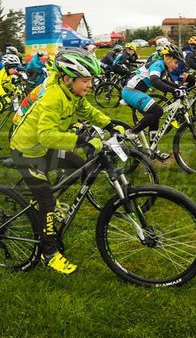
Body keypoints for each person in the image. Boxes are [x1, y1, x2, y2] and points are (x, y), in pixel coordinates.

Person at [10, 47, 123, 275]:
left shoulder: (72, 93)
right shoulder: (53, 97)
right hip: (26, 152)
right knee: (47, 202)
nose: (90, 85)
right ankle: (49, 254)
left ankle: (47, 202)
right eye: (86, 80)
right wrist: (82, 141)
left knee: (80, 166)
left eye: (91, 80)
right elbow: (46, 135)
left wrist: (110, 124)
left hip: (43, 148)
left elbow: (88, 110)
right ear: (68, 79)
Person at [121, 45, 185, 160]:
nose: (176, 66)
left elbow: (164, 81)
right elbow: (155, 81)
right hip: (130, 92)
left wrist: (178, 87)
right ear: (167, 58)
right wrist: (174, 90)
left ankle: (153, 149)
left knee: (155, 116)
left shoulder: (163, 67)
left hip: (135, 92)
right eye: (176, 62)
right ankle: (132, 133)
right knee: (157, 110)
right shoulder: (158, 64)